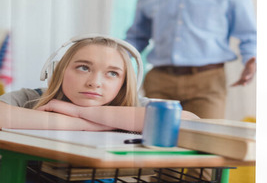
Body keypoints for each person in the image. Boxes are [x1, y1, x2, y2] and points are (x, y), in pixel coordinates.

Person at [125, 0, 257, 119]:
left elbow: (248, 35)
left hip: (208, 81)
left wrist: (251, 59)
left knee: (204, 141)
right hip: (159, 80)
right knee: (155, 140)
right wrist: (115, 56)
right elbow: (137, 37)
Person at [0, 36, 198, 132]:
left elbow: (188, 120)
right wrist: (85, 125)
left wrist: (80, 112)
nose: (94, 83)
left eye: (112, 73)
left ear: (123, 83)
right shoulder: (32, 98)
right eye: (84, 68)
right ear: (59, 71)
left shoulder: (132, 106)